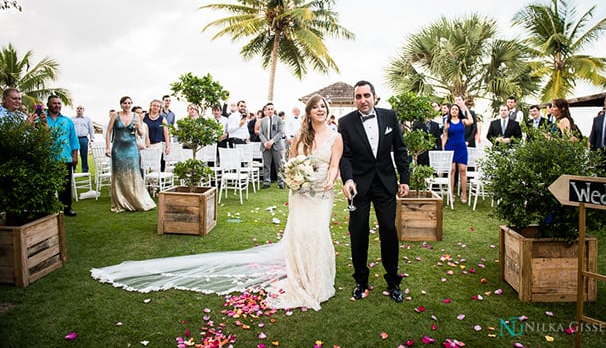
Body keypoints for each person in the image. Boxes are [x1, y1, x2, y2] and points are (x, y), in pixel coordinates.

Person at [91, 94, 343, 311]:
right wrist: (293, 177)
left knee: (318, 232)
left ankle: (317, 280)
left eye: (323, 106)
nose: (320, 109)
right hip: (300, 192)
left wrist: (329, 181)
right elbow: (290, 161)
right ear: (309, 111)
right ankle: (300, 275)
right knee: (299, 234)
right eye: (316, 106)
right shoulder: (300, 135)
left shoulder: (335, 137)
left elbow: (334, 166)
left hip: (321, 194)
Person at [338, 80, 409, 303]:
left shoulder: (389, 116)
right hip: (358, 186)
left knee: (389, 229)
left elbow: (400, 148)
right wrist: (348, 179)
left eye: (366, 95)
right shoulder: (345, 122)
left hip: (385, 183)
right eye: (358, 97)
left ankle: (393, 281)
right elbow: (345, 156)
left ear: (374, 97)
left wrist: (404, 179)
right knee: (358, 232)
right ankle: (360, 281)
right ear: (354, 100)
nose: (363, 100)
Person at [105, 96, 156, 212]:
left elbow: (142, 133)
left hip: (132, 149)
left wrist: (138, 127)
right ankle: (120, 201)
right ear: (121, 104)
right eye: (124, 103)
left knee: (134, 174)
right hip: (118, 148)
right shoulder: (115, 115)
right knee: (119, 175)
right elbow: (108, 132)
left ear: (131, 104)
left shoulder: (136, 116)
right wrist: (108, 147)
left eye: (129, 103)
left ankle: (135, 199)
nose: (127, 105)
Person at [45, 95, 80, 217]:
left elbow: (73, 139)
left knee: (65, 185)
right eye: (54, 103)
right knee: (47, 184)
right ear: (48, 105)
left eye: (59, 103)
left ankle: (66, 208)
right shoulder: (41, 119)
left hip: (64, 157)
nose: (57, 105)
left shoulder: (67, 121)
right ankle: (48, 208)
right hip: (46, 158)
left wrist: (75, 155)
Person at [442, 103, 475, 203]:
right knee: (452, 170)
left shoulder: (463, 121)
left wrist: (464, 107)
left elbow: (471, 121)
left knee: (463, 170)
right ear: (450, 111)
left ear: (458, 111)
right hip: (451, 147)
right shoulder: (447, 123)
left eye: (456, 109)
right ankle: (451, 193)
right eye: (452, 109)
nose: (454, 111)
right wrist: (443, 148)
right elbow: (445, 136)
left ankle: (464, 194)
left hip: (461, 148)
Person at [259, 102, 285, 189]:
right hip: (265, 146)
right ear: (266, 110)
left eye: (271, 109)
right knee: (266, 165)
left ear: (273, 110)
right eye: (268, 109)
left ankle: (281, 182)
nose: (270, 110)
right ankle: (266, 182)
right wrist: (266, 142)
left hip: (276, 145)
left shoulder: (279, 120)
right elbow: (260, 133)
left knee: (279, 165)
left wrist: (272, 141)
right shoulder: (262, 121)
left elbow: (280, 132)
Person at [143, 99, 171, 168]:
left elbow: (166, 133)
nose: (155, 107)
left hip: (157, 145)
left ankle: (159, 178)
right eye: (154, 105)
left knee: (157, 166)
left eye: (158, 106)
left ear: (160, 108)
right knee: (145, 166)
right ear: (151, 106)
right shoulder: (144, 116)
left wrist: (167, 146)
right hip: (145, 145)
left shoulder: (162, 119)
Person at [71, 105, 95, 173]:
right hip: (74, 139)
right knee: (73, 155)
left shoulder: (87, 119)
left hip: (83, 139)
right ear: (76, 110)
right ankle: (73, 170)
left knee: (84, 155)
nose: (79, 109)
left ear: (83, 110)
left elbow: (91, 129)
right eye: (78, 108)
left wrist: (92, 139)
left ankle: (85, 170)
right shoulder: (72, 119)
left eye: (81, 108)